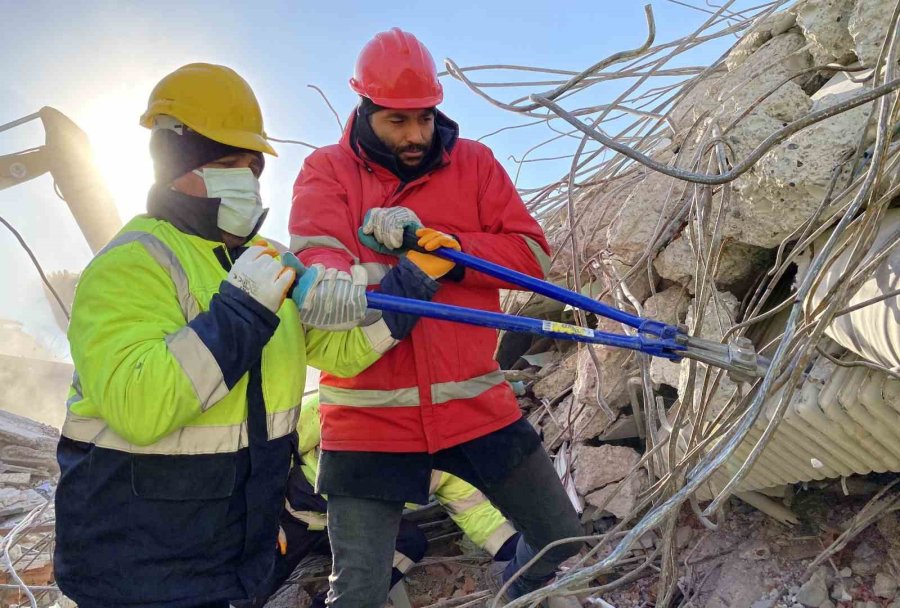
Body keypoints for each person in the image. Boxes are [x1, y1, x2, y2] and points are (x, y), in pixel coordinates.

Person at [54, 63, 442, 608]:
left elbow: (341, 351)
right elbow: (140, 404)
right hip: (135, 570)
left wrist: (412, 282)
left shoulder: (264, 259)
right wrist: (243, 309)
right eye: (224, 164)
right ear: (175, 164)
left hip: (230, 560)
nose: (245, 179)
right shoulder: (132, 262)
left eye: (252, 167)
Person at [288, 29, 584, 607]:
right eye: (397, 121)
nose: (416, 135)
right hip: (367, 418)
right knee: (357, 595)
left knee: (560, 537)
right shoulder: (326, 171)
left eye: (424, 118)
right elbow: (318, 252)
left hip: (474, 401)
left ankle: (514, 595)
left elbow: (533, 257)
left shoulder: (475, 164)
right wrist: (332, 278)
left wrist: (450, 248)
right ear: (365, 107)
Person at [240, 393, 522, 608]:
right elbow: (272, 456)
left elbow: (475, 512)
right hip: (292, 517)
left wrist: (518, 551)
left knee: (409, 542)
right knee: (248, 591)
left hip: (353, 529)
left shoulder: (450, 458)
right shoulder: (348, 403)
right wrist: (267, 516)